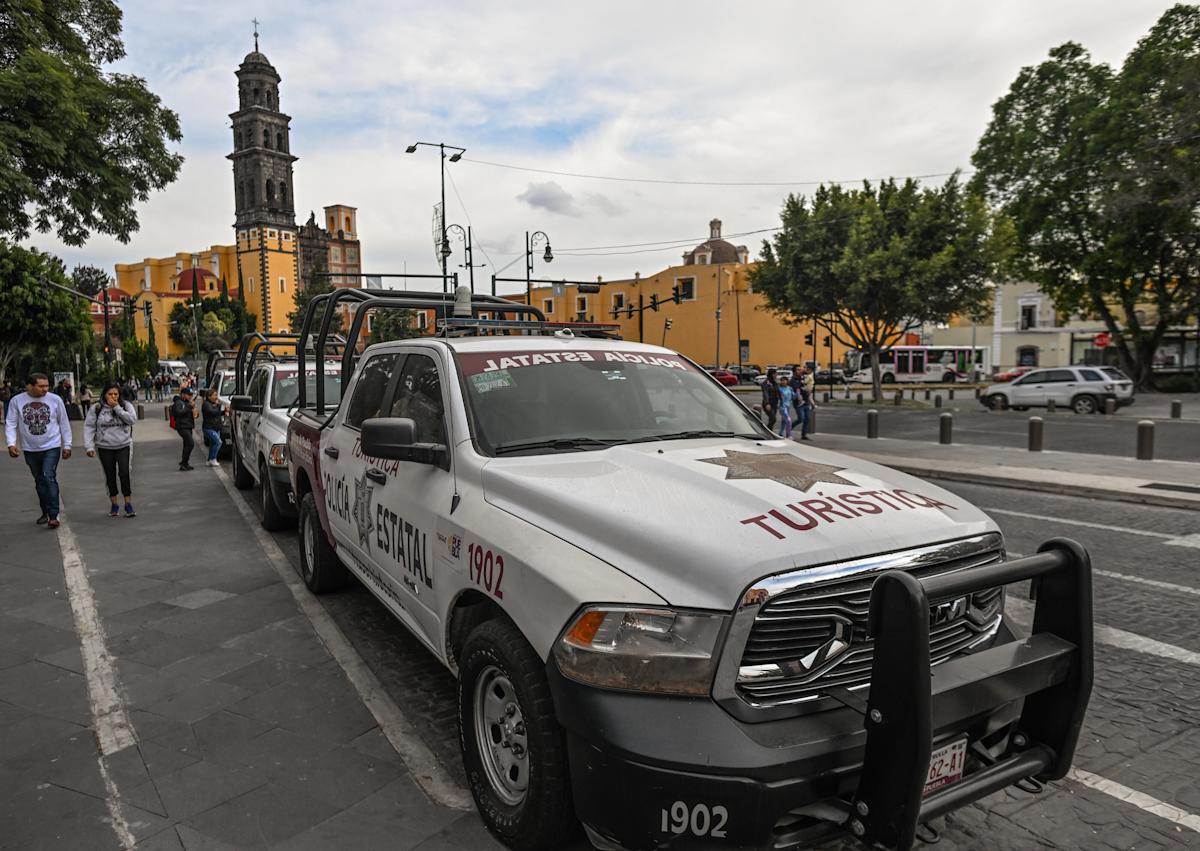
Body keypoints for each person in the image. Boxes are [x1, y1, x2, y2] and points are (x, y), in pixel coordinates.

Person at [5, 373, 72, 528]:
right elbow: (11, 422)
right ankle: (45, 511)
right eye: (41, 386)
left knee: (49, 477)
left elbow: (64, 423)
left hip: (52, 446)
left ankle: (53, 515)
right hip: (30, 449)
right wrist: (11, 443)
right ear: (30, 386)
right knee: (40, 481)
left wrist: (67, 445)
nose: (45, 389)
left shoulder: (55, 400)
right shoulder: (17, 401)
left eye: (47, 386)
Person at [83, 383, 137, 517]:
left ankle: (128, 503)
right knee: (110, 475)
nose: (113, 396)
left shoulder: (125, 405)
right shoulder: (96, 408)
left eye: (116, 394)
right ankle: (114, 504)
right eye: (110, 394)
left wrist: (117, 408)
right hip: (104, 447)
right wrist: (89, 446)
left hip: (123, 445)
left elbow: (132, 420)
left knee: (124, 473)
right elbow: (89, 427)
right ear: (104, 394)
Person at [171, 386, 198, 471]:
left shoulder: (186, 402)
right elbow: (179, 412)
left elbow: (192, 414)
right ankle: (183, 462)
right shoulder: (178, 402)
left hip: (188, 425)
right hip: (182, 426)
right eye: (188, 394)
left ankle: (185, 463)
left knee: (187, 444)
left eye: (191, 395)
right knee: (190, 443)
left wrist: (194, 410)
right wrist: (189, 406)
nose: (190, 396)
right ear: (183, 394)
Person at [201, 388, 227, 468]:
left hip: (216, 427)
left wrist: (223, 412)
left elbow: (217, 414)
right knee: (218, 442)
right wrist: (218, 407)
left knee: (213, 444)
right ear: (209, 396)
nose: (216, 397)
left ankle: (210, 459)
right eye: (214, 395)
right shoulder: (206, 404)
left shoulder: (214, 405)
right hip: (209, 427)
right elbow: (212, 412)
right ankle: (213, 458)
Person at [776, 373, 795, 438]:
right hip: (782, 406)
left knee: (784, 421)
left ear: (787, 381)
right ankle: (788, 434)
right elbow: (777, 397)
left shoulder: (790, 388)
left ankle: (780, 433)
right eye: (782, 380)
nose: (783, 382)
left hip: (788, 405)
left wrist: (797, 394)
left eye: (785, 380)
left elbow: (793, 397)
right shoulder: (779, 389)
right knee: (788, 420)